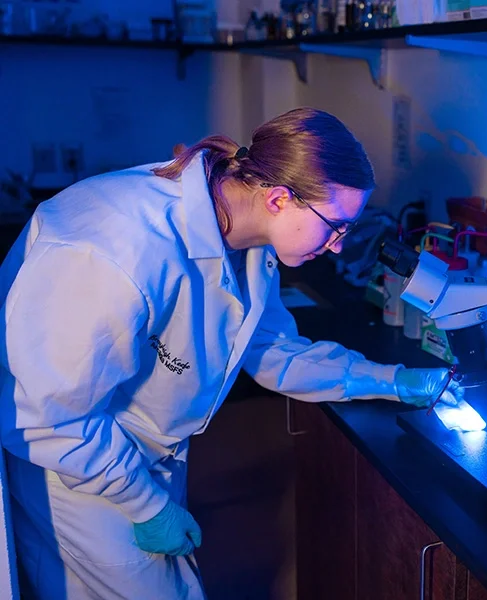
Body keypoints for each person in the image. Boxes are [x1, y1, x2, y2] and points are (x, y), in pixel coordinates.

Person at [0, 107, 463, 599]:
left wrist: (390, 379)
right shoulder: (120, 252)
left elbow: (271, 351)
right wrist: (145, 505)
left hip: (141, 460)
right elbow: (52, 418)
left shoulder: (246, 235)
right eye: (336, 225)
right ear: (281, 197)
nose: (337, 247)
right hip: (77, 470)